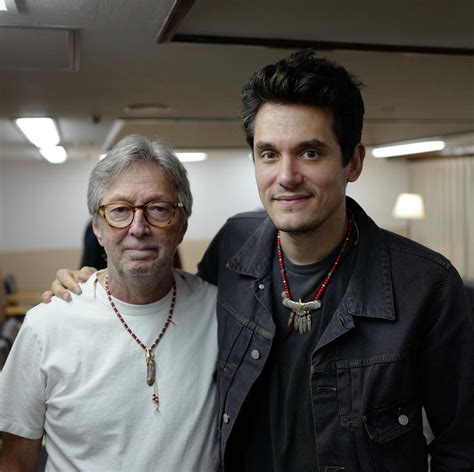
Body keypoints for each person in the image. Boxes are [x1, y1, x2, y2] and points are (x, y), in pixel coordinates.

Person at [43, 50, 474, 471]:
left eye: (310, 152)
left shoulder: (426, 286)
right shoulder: (234, 245)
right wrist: (95, 285)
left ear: (353, 162)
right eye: (269, 154)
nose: (286, 176)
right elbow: (172, 308)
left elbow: (463, 446)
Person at [0, 135, 219, 470]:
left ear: (182, 224)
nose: (139, 227)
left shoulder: (221, 314)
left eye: (158, 209)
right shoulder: (46, 326)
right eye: (119, 210)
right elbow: (16, 460)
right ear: (98, 228)